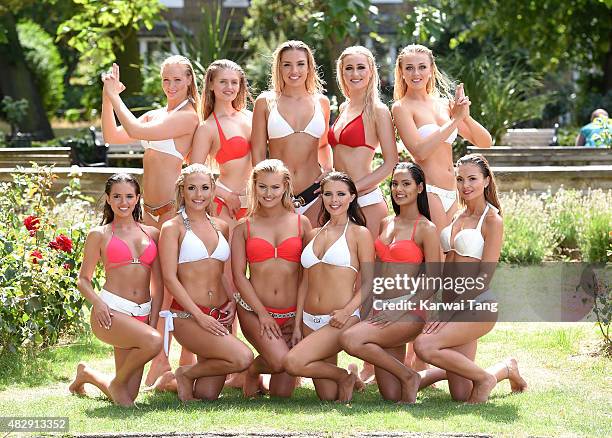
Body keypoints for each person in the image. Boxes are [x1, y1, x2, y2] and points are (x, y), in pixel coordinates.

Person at [101, 56, 200, 386]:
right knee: (153, 289)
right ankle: (159, 362)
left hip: (171, 213)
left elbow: (136, 130)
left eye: (177, 80)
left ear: (189, 81)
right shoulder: (158, 114)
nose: (170, 86)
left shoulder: (188, 116)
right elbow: (113, 136)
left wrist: (117, 97)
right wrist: (107, 94)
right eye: (166, 80)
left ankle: (170, 364)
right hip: (147, 215)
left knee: (171, 291)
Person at [413, 154, 527, 403]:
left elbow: (484, 277)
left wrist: (449, 310)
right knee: (461, 394)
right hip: (452, 303)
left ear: (486, 181)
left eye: (473, 179)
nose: (466, 185)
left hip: (476, 305)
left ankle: (484, 379)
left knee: (425, 345)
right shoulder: (457, 216)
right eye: (460, 179)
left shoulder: (492, 221)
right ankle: (506, 368)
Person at [340, 162, 440, 403]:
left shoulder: (426, 228)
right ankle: (434, 374)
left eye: (406, 184)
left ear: (420, 188)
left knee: (350, 339)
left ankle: (410, 376)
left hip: (407, 311)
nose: (399, 189)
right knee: (391, 394)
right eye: (395, 183)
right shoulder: (386, 222)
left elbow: (434, 279)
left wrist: (399, 311)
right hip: (379, 307)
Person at [157, 164, 253, 401]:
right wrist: (200, 317)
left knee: (206, 395)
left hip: (219, 314)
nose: (198, 195)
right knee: (242, 358)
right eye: (192, 188)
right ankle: (184, 373)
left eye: (204, 188)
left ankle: (178, 379)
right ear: (182, 190)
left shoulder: (220, 226)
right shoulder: (172, 228)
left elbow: (221, 273)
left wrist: (232, 300)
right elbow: (169, 278)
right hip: (189, 317)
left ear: (212, 191)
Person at [69, 174, 163, 406]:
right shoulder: (99, 234)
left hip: (142, 312)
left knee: (127, 399)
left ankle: (87, 375)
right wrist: (98, 303)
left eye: (129, 196)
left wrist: (153, 317)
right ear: (109, 200)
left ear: (137, 198)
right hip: (111, 313)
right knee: (153, 342)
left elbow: (159, 284)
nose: (124, 202)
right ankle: (117, 383)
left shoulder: (152, 234)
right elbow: (83, 280)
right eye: (117, 196)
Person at [283, 172, 373, 402]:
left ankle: (345, 377)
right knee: (327, 396)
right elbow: (305, 282)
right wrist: (298, 322)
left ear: (352, 196)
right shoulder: (313, 233)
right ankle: (349, 376)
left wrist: (346, 312)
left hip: (340, 317)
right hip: (310, 320)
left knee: (293, 362)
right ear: (321, 197)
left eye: (341, 194)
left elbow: (369, 281)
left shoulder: (359, 234)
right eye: (328, 194)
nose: (334, 199)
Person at [232, 159, 312, 397]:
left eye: (275, 187)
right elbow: (239, 275)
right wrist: (263, 314)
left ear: (286, 186)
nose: (269, 193)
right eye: (263, 187)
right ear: (254, 187)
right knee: (278, 363)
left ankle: (257, 367)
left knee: (281, 395)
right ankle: (253, 370)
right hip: (254, 311)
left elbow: (306, 275)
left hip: (290, 313)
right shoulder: (243, 227)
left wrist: (298, 321)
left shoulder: (302, 223)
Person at [392, 44, 492, 233]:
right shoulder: (402, 107)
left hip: (453, 191)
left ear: (431, 70)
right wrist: (455, 120)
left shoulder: (445, 105)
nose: (416, 73)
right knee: (438, 254)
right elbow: (420, 151)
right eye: (409, 68)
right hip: (428, 190)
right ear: (401, 72)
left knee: (450, 252)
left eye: (422, 67)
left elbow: (485, 142)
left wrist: (465, 116)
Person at [251, 40, 333, 225]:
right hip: (277, 194)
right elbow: (257, 152)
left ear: (309, 67)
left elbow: (323, 144)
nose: (294, 71)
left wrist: (328, 170)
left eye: (300, 64)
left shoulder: (321, 102)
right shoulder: (266, 102)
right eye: (287, 65)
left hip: (315, 193)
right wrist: (266, 190)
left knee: (313, 251)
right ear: (279, 68)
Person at [330, 46, 398, 237]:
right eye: (348, 68)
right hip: (339, 200)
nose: (355, 73)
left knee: (369, 265)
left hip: (366, 200)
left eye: (361, 67)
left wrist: (350, 190)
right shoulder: (344, 107)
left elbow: (391, 162)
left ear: (371, 72)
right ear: (341, 73)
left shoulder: (378, 110)